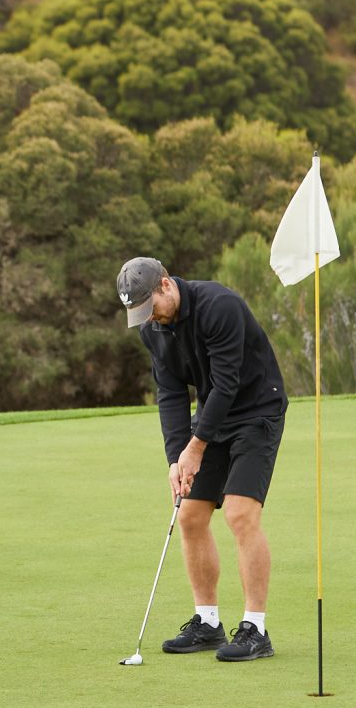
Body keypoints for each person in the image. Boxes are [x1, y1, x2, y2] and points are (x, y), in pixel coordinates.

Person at [117, 255, 288, 662]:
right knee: (190, 516)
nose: (150, 318)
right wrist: (176, 459)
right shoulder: (153, 330)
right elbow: (170, 394)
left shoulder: (219, 306)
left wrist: (196, 448)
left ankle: (255, 629)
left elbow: (226, 384)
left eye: (150, 307)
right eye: (140, 313)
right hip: (211, 418)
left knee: (240, 514)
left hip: (256, 410)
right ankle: (208, 622)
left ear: (165, 285)